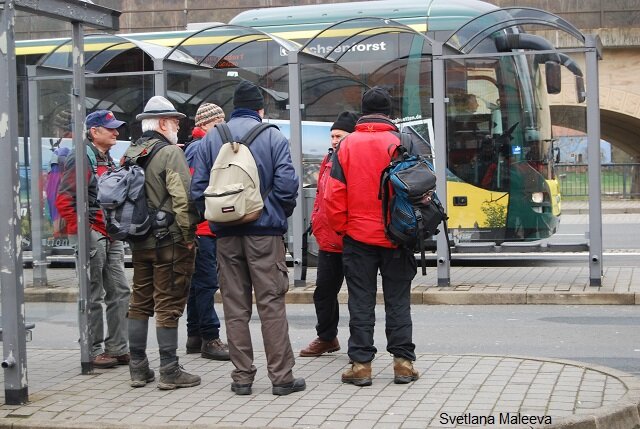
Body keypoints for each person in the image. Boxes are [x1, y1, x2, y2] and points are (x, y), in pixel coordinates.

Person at [191, 80, 305, 396]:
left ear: (232, 108)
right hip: (265, 234)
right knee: (270, 304)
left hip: (225, 236)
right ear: (260, 109)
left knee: (234, 306)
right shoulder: (272, 136)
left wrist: (220, 217)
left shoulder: (212, 138)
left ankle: (242, 378)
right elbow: (287, 186)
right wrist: (272, 214)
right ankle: (281, 378)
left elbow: (198, 189)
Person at [324, 86, 419, 386]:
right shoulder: (403, 142)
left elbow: (333, 194)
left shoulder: (347, 145)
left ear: (363, 112)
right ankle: (403, 363)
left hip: (358, 238)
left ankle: (361, 365)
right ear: (389, 112)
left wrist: (344, 228)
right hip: (397, 236)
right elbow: (421, 190)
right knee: (398, 300)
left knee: (360, 301)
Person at [124, 96, 200, 390]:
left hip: (139, 240)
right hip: (169, 241)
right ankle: (169, 370)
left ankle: (138, 367)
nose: (179, 126)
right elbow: (182, 198)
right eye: (176, 121)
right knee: (169, 302)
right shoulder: (170, 153)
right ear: (164, 123)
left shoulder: (131, 153)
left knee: (139, 301)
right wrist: (189, 237)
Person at [55, 110, 131, 369]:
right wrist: (83, 233)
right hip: (93, 232)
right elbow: (64, 199)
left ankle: (117, 347)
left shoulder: (107, 158)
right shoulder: (82, 158)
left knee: (120, 290)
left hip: (110, 232)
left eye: (116, 128)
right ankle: (93, 349)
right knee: (93, 293)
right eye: (110, 128)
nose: (116, 132)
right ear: (94, 131)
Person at [299, 111, 358, 358]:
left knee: (358, 295)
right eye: (332, 135)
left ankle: (359, 342)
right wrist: (316, 221)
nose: (334, 140)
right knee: (323, 292)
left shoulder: (354, 160)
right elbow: (322, 197)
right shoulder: (328, 159)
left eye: (339, 135)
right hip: (328, 240)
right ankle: (327, 337)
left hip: (352, 239)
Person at [183, 103, 230, 360]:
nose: (222, 129)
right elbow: (195, 188)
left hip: (199, 227)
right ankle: (210, 338)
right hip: (204, 227)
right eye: (217, 124)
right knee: (206, 283)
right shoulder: (201, 147)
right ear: (206, 124)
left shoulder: (194, 146)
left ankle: (194, 335)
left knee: (196, 284)